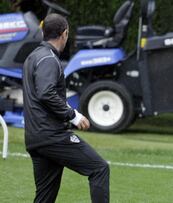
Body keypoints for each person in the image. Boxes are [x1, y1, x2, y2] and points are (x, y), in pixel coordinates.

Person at [22, 13, 109, 203]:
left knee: (45, 196)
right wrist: (74, 115)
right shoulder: (49, 59)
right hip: (51, 136)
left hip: (35, 137)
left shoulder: (33, 57)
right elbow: (46, 93)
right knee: (99, 168)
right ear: (65, 34)